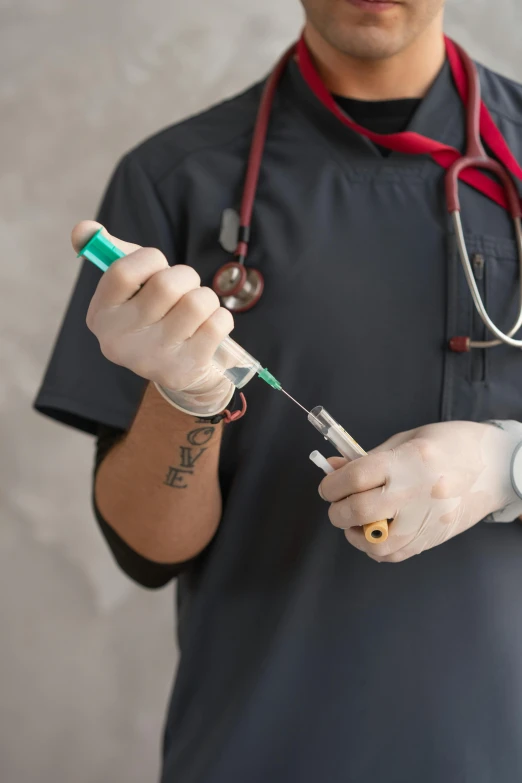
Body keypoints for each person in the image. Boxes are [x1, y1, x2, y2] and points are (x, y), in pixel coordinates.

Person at [34, 0, 522, 780]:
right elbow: (147, 549)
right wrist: (184, 397)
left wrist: (507, 466)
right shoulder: (176, 179)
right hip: (260, 749)